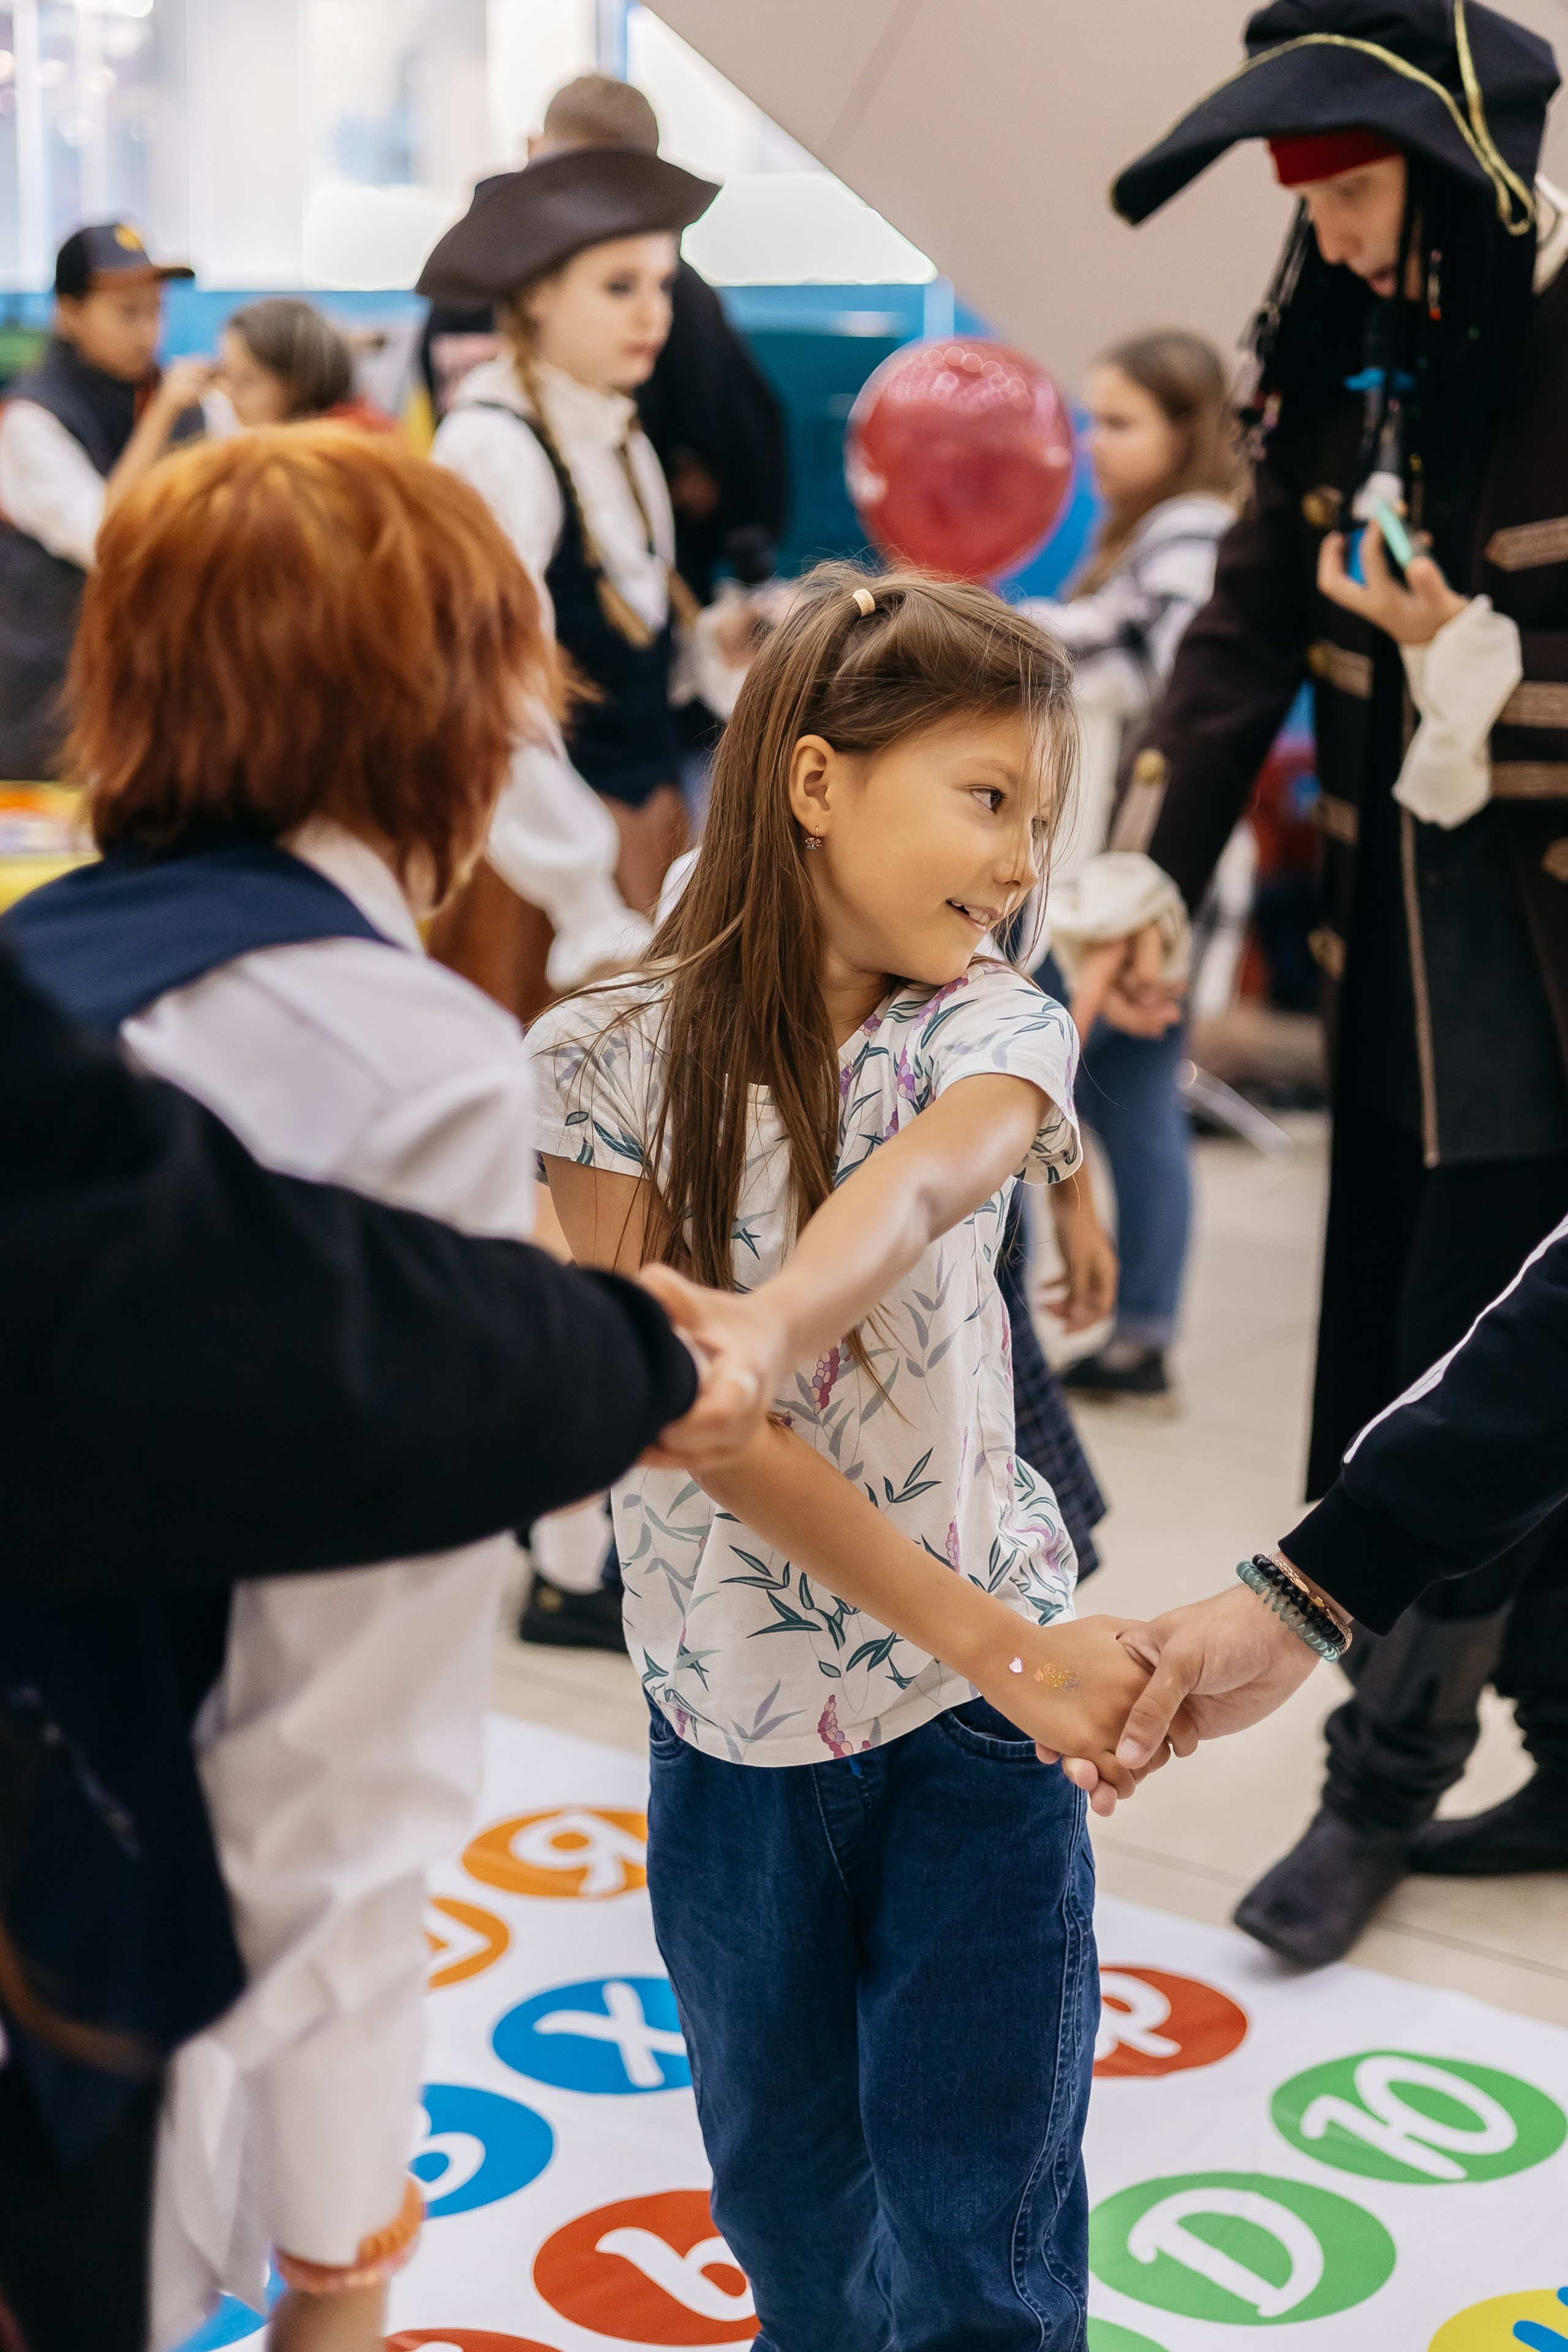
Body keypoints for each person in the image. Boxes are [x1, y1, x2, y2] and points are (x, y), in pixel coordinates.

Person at [0, 422, 748, 2352]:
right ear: (443, 711)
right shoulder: (407, 1051)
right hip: (103, 1958)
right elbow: (338, 1735)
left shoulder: (39, 968)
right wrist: (342, 2246)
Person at [530, 564, 1162, 2349]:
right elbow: (707, 1446)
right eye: (987, 799)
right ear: (813, 781)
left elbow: (923, 1185)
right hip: (733, 1728)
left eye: (1040, 816)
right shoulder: (597, 1052)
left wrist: (764, 1327)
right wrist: (993, 1640)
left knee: (984, 2225)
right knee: (790, 2213)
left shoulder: (980, 1018)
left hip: (976, 1727)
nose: (1022, 859)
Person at [1091, 0, 1568, 1962]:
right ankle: (1481, 1751)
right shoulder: (1337, 360)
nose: (1341, 236)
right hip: (1396, 969)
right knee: (1423, 1353)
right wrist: (1146, 871)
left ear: (1462, 178)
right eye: (1316, 200)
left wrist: (1489, 670)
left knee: (1487, 1351)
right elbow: (1239, 638)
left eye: (1361, 189)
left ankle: (1392, 1777)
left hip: (1534, 967)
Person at [1023, 331, 1243, 1406]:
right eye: (1089, 419)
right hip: (1129, 875)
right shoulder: (1146, 533)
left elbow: (1160, 667)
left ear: (1186, 431)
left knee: (1077, 1093)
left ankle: (1128, 1332)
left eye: (1119, 422)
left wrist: (996, 631)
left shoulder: (1194, 530)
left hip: (1137, 877)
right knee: (1123, 1101)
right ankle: (1138, 1333)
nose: (1092, 444)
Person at [420, 74, 787, 601]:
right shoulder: (492, 448)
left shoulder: (623, 437)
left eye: (661, 286)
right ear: (535, 292)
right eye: (619, 287)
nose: (652, 316)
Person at [0, 221, 206, 780]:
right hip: (48, 718)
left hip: (156, 703)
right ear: (68, 313)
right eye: (127, 313)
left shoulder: (184, 402)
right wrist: (162, 416)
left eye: (155, 312)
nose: (147, 333)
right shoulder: (29, 418)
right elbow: (104, 539)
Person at [214, 297, 393, 434]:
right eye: (227, 375)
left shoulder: (331, 454)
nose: (231, 393)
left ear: (300, 385)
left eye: (248, 380)